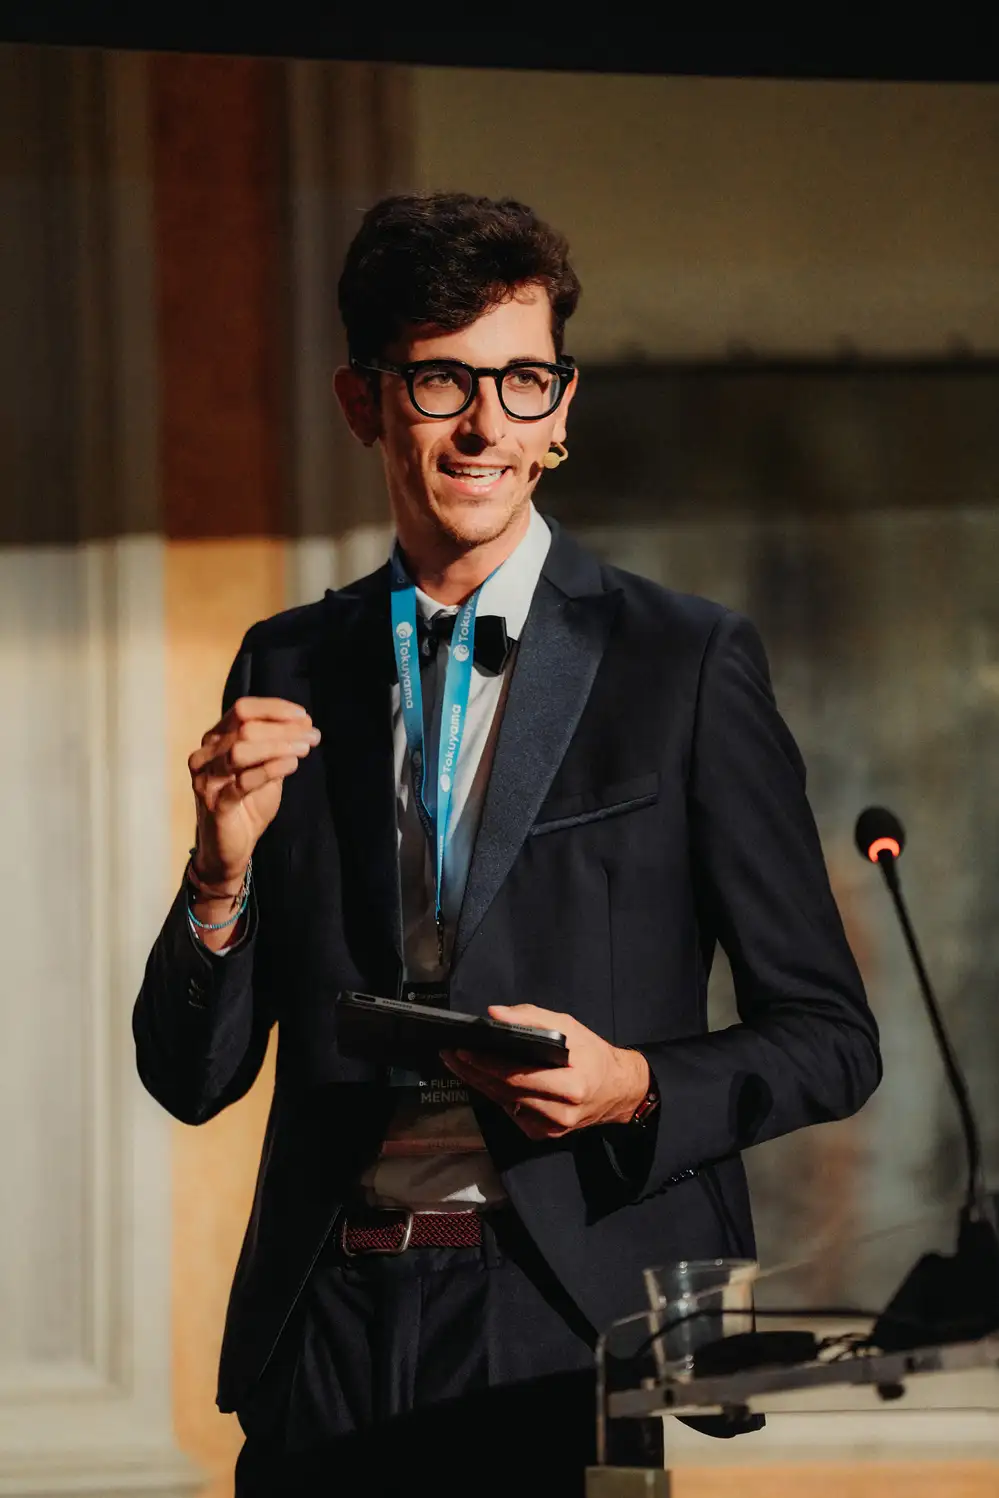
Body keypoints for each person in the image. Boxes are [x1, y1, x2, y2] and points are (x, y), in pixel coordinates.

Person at [133, 192, 881, 1495]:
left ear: (563, 407)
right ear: (363, 401)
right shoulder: (286, 661)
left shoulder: (685, 662)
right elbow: (190, 1075)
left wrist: (633, 1084)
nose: (488, 426)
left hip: (561, 1321)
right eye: (443, 381)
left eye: (524, 380)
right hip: (326, 1329)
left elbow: (829, 1037)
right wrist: (220, 872)